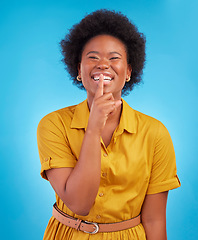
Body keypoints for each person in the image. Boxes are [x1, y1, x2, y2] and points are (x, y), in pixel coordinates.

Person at [37, 9, 181, 240]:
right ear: (78, 70)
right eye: (92, 57)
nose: (103, 64)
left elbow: (155, 220)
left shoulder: (155, 134)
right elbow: (79, 204)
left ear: (128, 73)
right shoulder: (53, 125)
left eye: (114, 58)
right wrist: (93, 127)